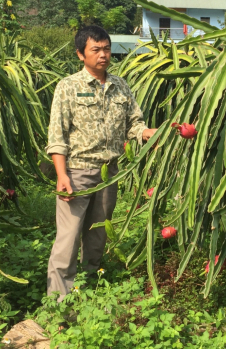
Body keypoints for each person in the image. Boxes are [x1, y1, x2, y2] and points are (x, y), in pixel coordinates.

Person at [45, 25, 157, 301]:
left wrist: (147, 133)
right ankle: (58, 301)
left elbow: (134, 123)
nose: (103, 54)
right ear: (80, 54)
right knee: (68, 240)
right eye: (95, 49)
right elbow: (57, 135)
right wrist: (62, 175)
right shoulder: (68, 87)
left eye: (106, 48)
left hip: (110, 174)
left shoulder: (121, 86)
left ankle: (88, 286)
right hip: (77, 171)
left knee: (97, 235)